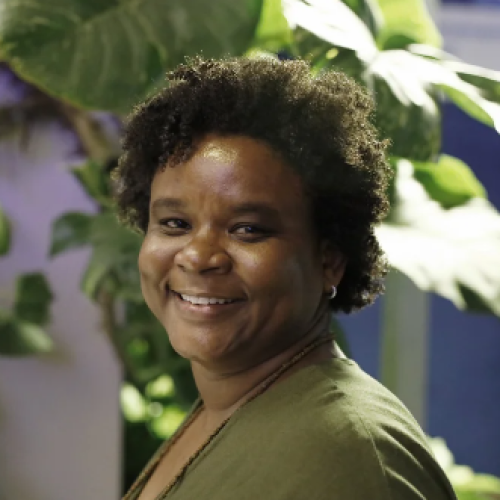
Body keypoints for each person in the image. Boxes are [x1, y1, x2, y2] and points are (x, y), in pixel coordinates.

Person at [115, 56, 457, 500]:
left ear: (329, 260)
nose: (198, 256)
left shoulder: (345, 455)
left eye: (248, 230)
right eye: (175, 224)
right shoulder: (236, 407)